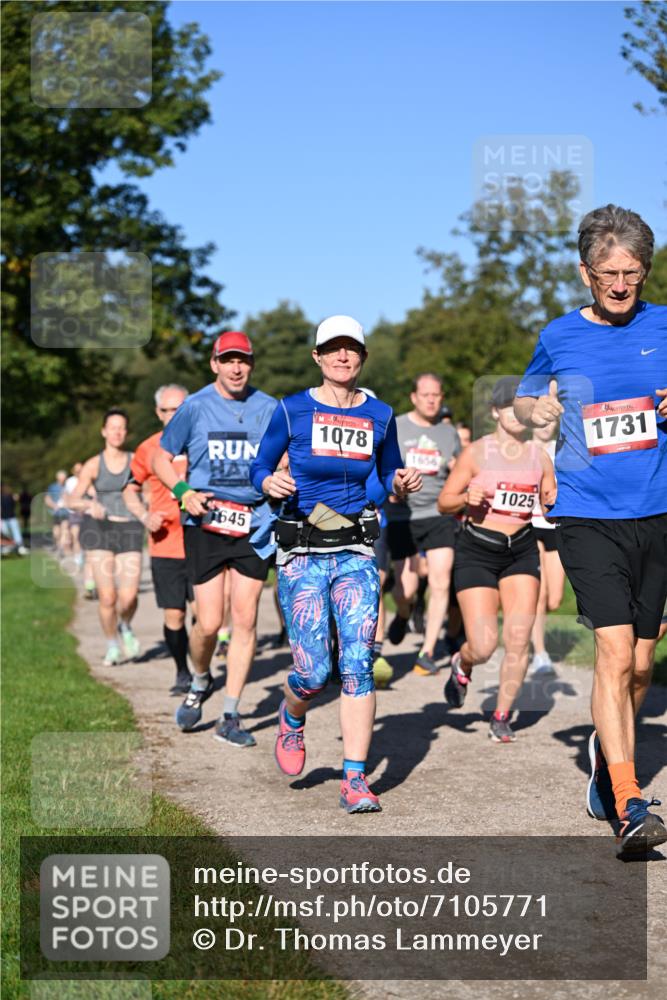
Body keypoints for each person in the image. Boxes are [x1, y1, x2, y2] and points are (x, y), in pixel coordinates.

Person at [514, 204, 667, 855]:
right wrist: (536, 407)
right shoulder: (558, 336)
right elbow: (521, 399)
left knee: (638, 663)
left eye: (632, 272)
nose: (620, 284)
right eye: (608, 272)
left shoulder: (663, 325)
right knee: (610, 652)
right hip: (586, 514)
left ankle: (609, 756)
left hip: (656, 514)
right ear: (584, 272)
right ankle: (629, 800)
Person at [250, 314, 421, 814]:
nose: (343, 356)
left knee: (357, 665)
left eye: (352, 349)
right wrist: (268, 483)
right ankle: (293, 712)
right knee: (312, 670)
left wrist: (399, 484)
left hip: (356, 551)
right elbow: (261, 464)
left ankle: (354, 779)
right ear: (318, 357)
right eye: (333, 349)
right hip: (302, 550)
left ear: (362, 357)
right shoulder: (291, 410)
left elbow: (389, 471)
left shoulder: (381, 415)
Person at [153, 331, 278, 747]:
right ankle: (201, 679)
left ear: (251, 364)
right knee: (208, 623)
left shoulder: (269, 408)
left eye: (243, 360)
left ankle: (230, 713)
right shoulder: (195, 407)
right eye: (228, 360)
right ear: (215, 364)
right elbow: (160, 457)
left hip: (254, 523)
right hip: (205, 521)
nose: (236, 367)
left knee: (245, 620)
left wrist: (282, 483)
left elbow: (285, 459)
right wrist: (183, 492)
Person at [438, 376, 556, 742]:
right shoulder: (476, 452)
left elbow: (551, 502)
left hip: (521, 549)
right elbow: (445, 501)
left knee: (518, 639)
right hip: (478, 550)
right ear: (495, 411)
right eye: (511, 407)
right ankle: (464, 661)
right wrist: (465, 499)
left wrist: (554, 504)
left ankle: (502, 716)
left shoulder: (539, 457)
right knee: (485, 645)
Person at [385, 374, 461, 675]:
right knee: (405, 591)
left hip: (438, 514)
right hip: (403, 515)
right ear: (413, 397)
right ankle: (403, 614)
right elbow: (383, 466)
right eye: (425, 394)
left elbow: (457, 468)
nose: (431, 400)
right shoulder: (397, 427)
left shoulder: (449, 433)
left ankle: (427, 651)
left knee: (441, 581)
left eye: (436, 395)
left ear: (442, 398)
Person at [123, 384, 194, 696]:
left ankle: (203, 666)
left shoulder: (203, 442)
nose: (172, 415)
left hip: (202, 539)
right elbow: (130, 489)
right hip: (165, 542)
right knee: (175, 614)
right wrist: (143, 516)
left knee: (209, 616)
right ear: (157, 413)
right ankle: (183, 671)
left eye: (178, 409)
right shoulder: (148, 448)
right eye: (166, 410)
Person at [69, 410, 144, 665]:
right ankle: (112, 644)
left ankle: (125, 625)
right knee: (108, 596)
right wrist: (88, 505)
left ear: (127, 432)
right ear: (103, 431)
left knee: (129, 596)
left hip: (130, 529)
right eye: (112, 427)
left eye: (122, 428)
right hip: (100, 530)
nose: (117, 432)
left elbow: (150, 491)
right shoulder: (93, 464)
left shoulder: (137, 461)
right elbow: (70, 499)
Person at [529, 417, 565, 675]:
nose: (545, 424)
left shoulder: (563, 448)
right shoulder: (521, 449)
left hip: (554, 525)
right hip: (529, 524)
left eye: (550, 421)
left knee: (555, 598)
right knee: (538, 596)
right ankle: (539, 653)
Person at [45, 470, 70, 556]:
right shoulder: (52, 487)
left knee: (64, 530)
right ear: (58, 477)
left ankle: (61, 548)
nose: (63, 479)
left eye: (64, 477)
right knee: (56, 532)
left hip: (65, 512)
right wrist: (54, 506)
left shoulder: (68, 486)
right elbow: (47, 499)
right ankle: (58, 545)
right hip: (56, 512)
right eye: (61, 477)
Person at [1, 483, 28, 554]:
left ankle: (20, 547)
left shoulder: (11, 496)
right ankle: (7, 547)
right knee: (5, 534)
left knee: (16, 533)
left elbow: (19, 498)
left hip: (12, 518)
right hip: (3, 519)